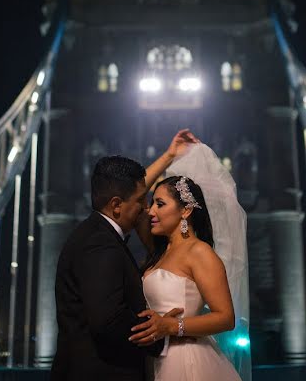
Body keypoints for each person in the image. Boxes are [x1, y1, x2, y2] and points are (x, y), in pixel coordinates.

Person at [50, 130, 196, 381]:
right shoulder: (100, 245)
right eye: (142, 201)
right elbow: (108, 321)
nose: (146, 208)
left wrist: (169, 156)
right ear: (116, 205)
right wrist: (160, 336)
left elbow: (131, 188)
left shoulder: (94, 232)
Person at [130, 140, 250, 381]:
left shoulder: (200, 252)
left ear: (185, 211)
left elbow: (225, 318)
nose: (151, 211)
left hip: (189, 361)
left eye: (160, 204)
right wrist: (169, 155)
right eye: (153, 203)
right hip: (156, 359)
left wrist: (172, 327)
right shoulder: (160, 250)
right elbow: (136, 193)